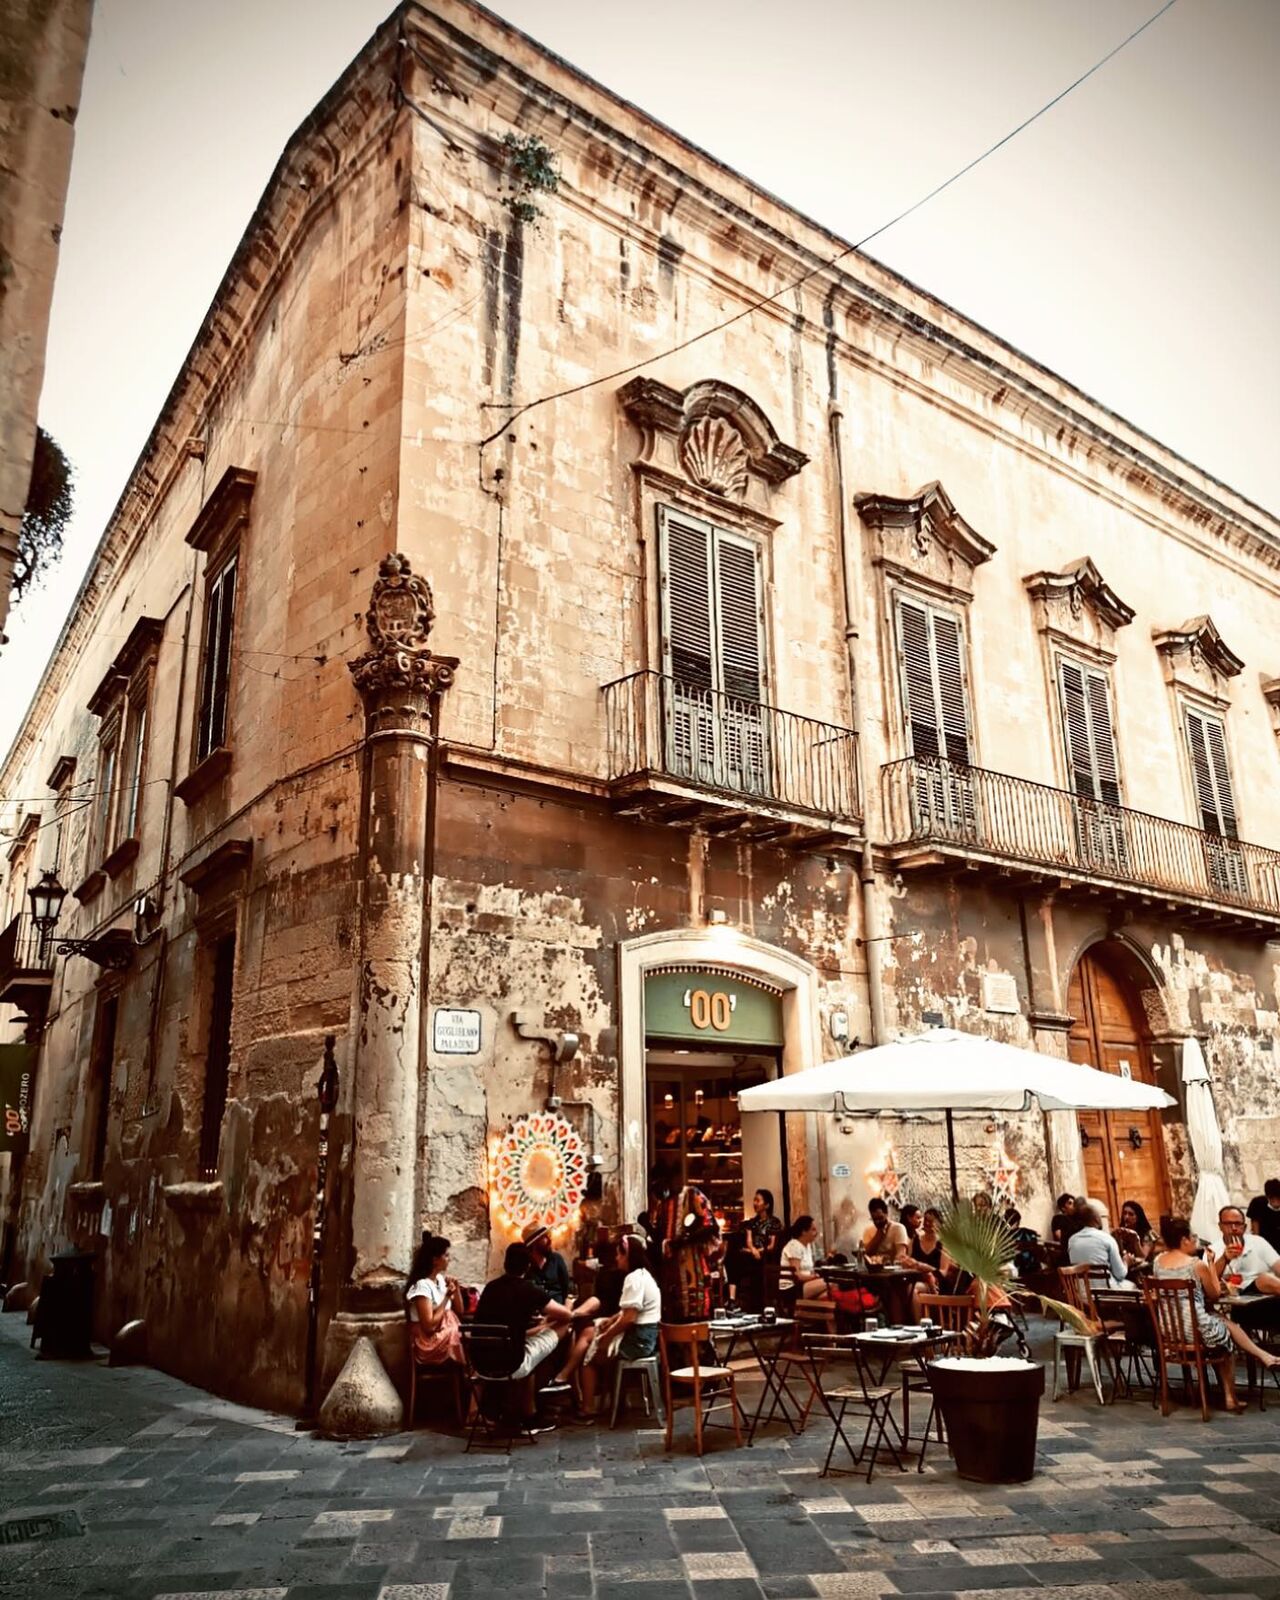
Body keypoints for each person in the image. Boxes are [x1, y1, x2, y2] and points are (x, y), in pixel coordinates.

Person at [1152, 1215, 1278, 1409]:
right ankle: (1231, 1396)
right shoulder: (1195, 1264)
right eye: (1193, 1237)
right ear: (1184, 1240)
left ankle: (1263, 1356)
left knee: (1221, 1321)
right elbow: (1214, 1293)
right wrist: (1211, 1263)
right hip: (1194, 1329)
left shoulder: (1158, 1262)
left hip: (1170, 1329)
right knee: (1226, 1335)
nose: (1195, 1241)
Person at [580, 1235, 663, 1415]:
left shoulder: (633, 1278)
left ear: (627, 1255)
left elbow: (629, 1318)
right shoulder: (644, 1275)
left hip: (639, 1341)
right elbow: (628, 1311)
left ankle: (587, 1408)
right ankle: (617, 1401)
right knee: (594, 1339)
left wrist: (606, 1338)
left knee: (589, 1359)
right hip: (647, 1337)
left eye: (619, 1254)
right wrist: (611, 1321)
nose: (617, 1258)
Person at [474, 1241, 574, 1389]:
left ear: (505, 1264)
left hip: (480, 1365)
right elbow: (567, 1315)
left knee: (524, 1341)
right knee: (564, 1325)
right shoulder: (529, 1289)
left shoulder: (490, 1287)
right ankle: (556, 1380)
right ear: (528, 1266)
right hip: (512, 1365)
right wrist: (569, 1302)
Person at [661, 1185, 722, 1322]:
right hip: (673, 1267)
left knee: (696, 1313)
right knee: (677, 1314)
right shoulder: (666, 1201)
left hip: (693, 1263)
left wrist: (685, 1240)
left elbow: (711, 1227)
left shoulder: (692, 1194)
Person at [406, 1232, 464, 1366]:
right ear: (435, 1260)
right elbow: (429, 1327)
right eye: (446, 1255)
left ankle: (469, 1372)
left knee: (465, 1335)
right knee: (462, 1337)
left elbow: (460, 1311)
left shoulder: (439, 1280)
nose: (449, 1259)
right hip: (428, 1341)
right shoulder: (422, 1286)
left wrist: (456, 1289)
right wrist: (446, 1298)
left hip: (442, 1333)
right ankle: (469, 1373)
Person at [731, 1188, 783, 1310]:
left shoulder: (774, 1222)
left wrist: (757, 1251)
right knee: (734, 1258)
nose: (755, 1203)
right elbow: (749, 1241)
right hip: (752, 1253)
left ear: (767, 1205)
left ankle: (754, 1302)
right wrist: (753, 1250)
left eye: (758, 1200)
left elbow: (772, 1245)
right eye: (754, 1200)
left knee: (755, 1263)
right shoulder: (752, 1222)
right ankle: (734, 1299)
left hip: (766, 1254)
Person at [1215, 1204, 1280, 1296]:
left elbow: (1278, 1266)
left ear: (1244, 1227)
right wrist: (1224, 1258)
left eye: (1238, 1224)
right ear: (1220, 1226)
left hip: (1263, 1292)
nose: (1233, 1228)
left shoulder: (1258, 1242)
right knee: (1264, 1279)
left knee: (1266, 1279)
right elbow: (1208, 1281)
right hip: (1233, 1295)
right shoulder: (1213, 1249)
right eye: (1228, 1224)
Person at [1067, 1203, 1129, 1289]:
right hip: (1107, 1292)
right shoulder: (1106, 1238)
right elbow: (1120, 1274)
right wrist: (1126, 1262)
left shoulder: (1072, 1240)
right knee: (1134, 1286)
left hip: (1083, 1293)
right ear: (1096, 1219)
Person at [780, 1215, 831, 1301]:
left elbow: (809, 1270)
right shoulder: (794, 1246)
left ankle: (814, 1309)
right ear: (804, 1232)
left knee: (828, 1293)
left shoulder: (808, 1246)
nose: (816, 1233)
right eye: (813, 1230)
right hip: (792, 1287)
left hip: (805, 1284)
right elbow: (797, 1275)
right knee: (831, 1283)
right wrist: (814, 1277)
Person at [523, 1222, 572, 1304]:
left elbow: (567, 1291)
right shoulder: (526, 1265)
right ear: (534, 1243)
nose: (549, 1240)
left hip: (559, 1308)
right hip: (538, 1309)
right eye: (544, 1237)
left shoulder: (556, 1259)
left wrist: (566, 1309)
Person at [861, 1197, 910, 1263]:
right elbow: (865, 1254)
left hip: (894, 1267)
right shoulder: (868, 1230)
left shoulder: (898, 1228)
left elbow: (901, 1255)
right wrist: (877, 1237)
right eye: (874, 1219)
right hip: (874, 1267)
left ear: (886, 1214)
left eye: (880, 1218)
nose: (878, 1222)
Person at [1113, 1199, 1156, 1267]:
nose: (1126, 1217)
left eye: (1131, 1214)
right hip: (1127, 1267)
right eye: (1124, 1213)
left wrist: (1135, 1239)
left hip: (1145, 1268)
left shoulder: (1148, 1233)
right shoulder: (1122, 1231)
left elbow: (1143, 1257)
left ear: (1138, 1217)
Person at [1005, 1209, 1041, 1281]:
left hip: (1018, 1269)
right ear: (1018, 1222)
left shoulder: (1005, 1235)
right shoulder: (1027, 1232)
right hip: (1031, 1268)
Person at [1247, 1178, 1280, 1253]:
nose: (1276, 1202)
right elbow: (1255, 1229)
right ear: (1268, 1197)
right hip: (1264, 1244)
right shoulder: (1258, 1203)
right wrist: (1257, 1244)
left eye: (1278, 1199)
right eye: (1273, 1199)